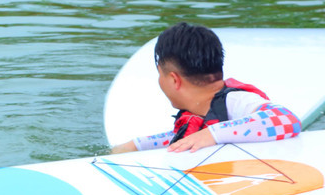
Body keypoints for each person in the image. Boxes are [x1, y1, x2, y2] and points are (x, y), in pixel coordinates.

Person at [110, 22, 301, 154]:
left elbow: (287, 120)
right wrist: (137, 146)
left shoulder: (235, 102)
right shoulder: (198, 110)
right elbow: (189, 137)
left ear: (174, 80)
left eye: (160, 74)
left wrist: (211, 134)